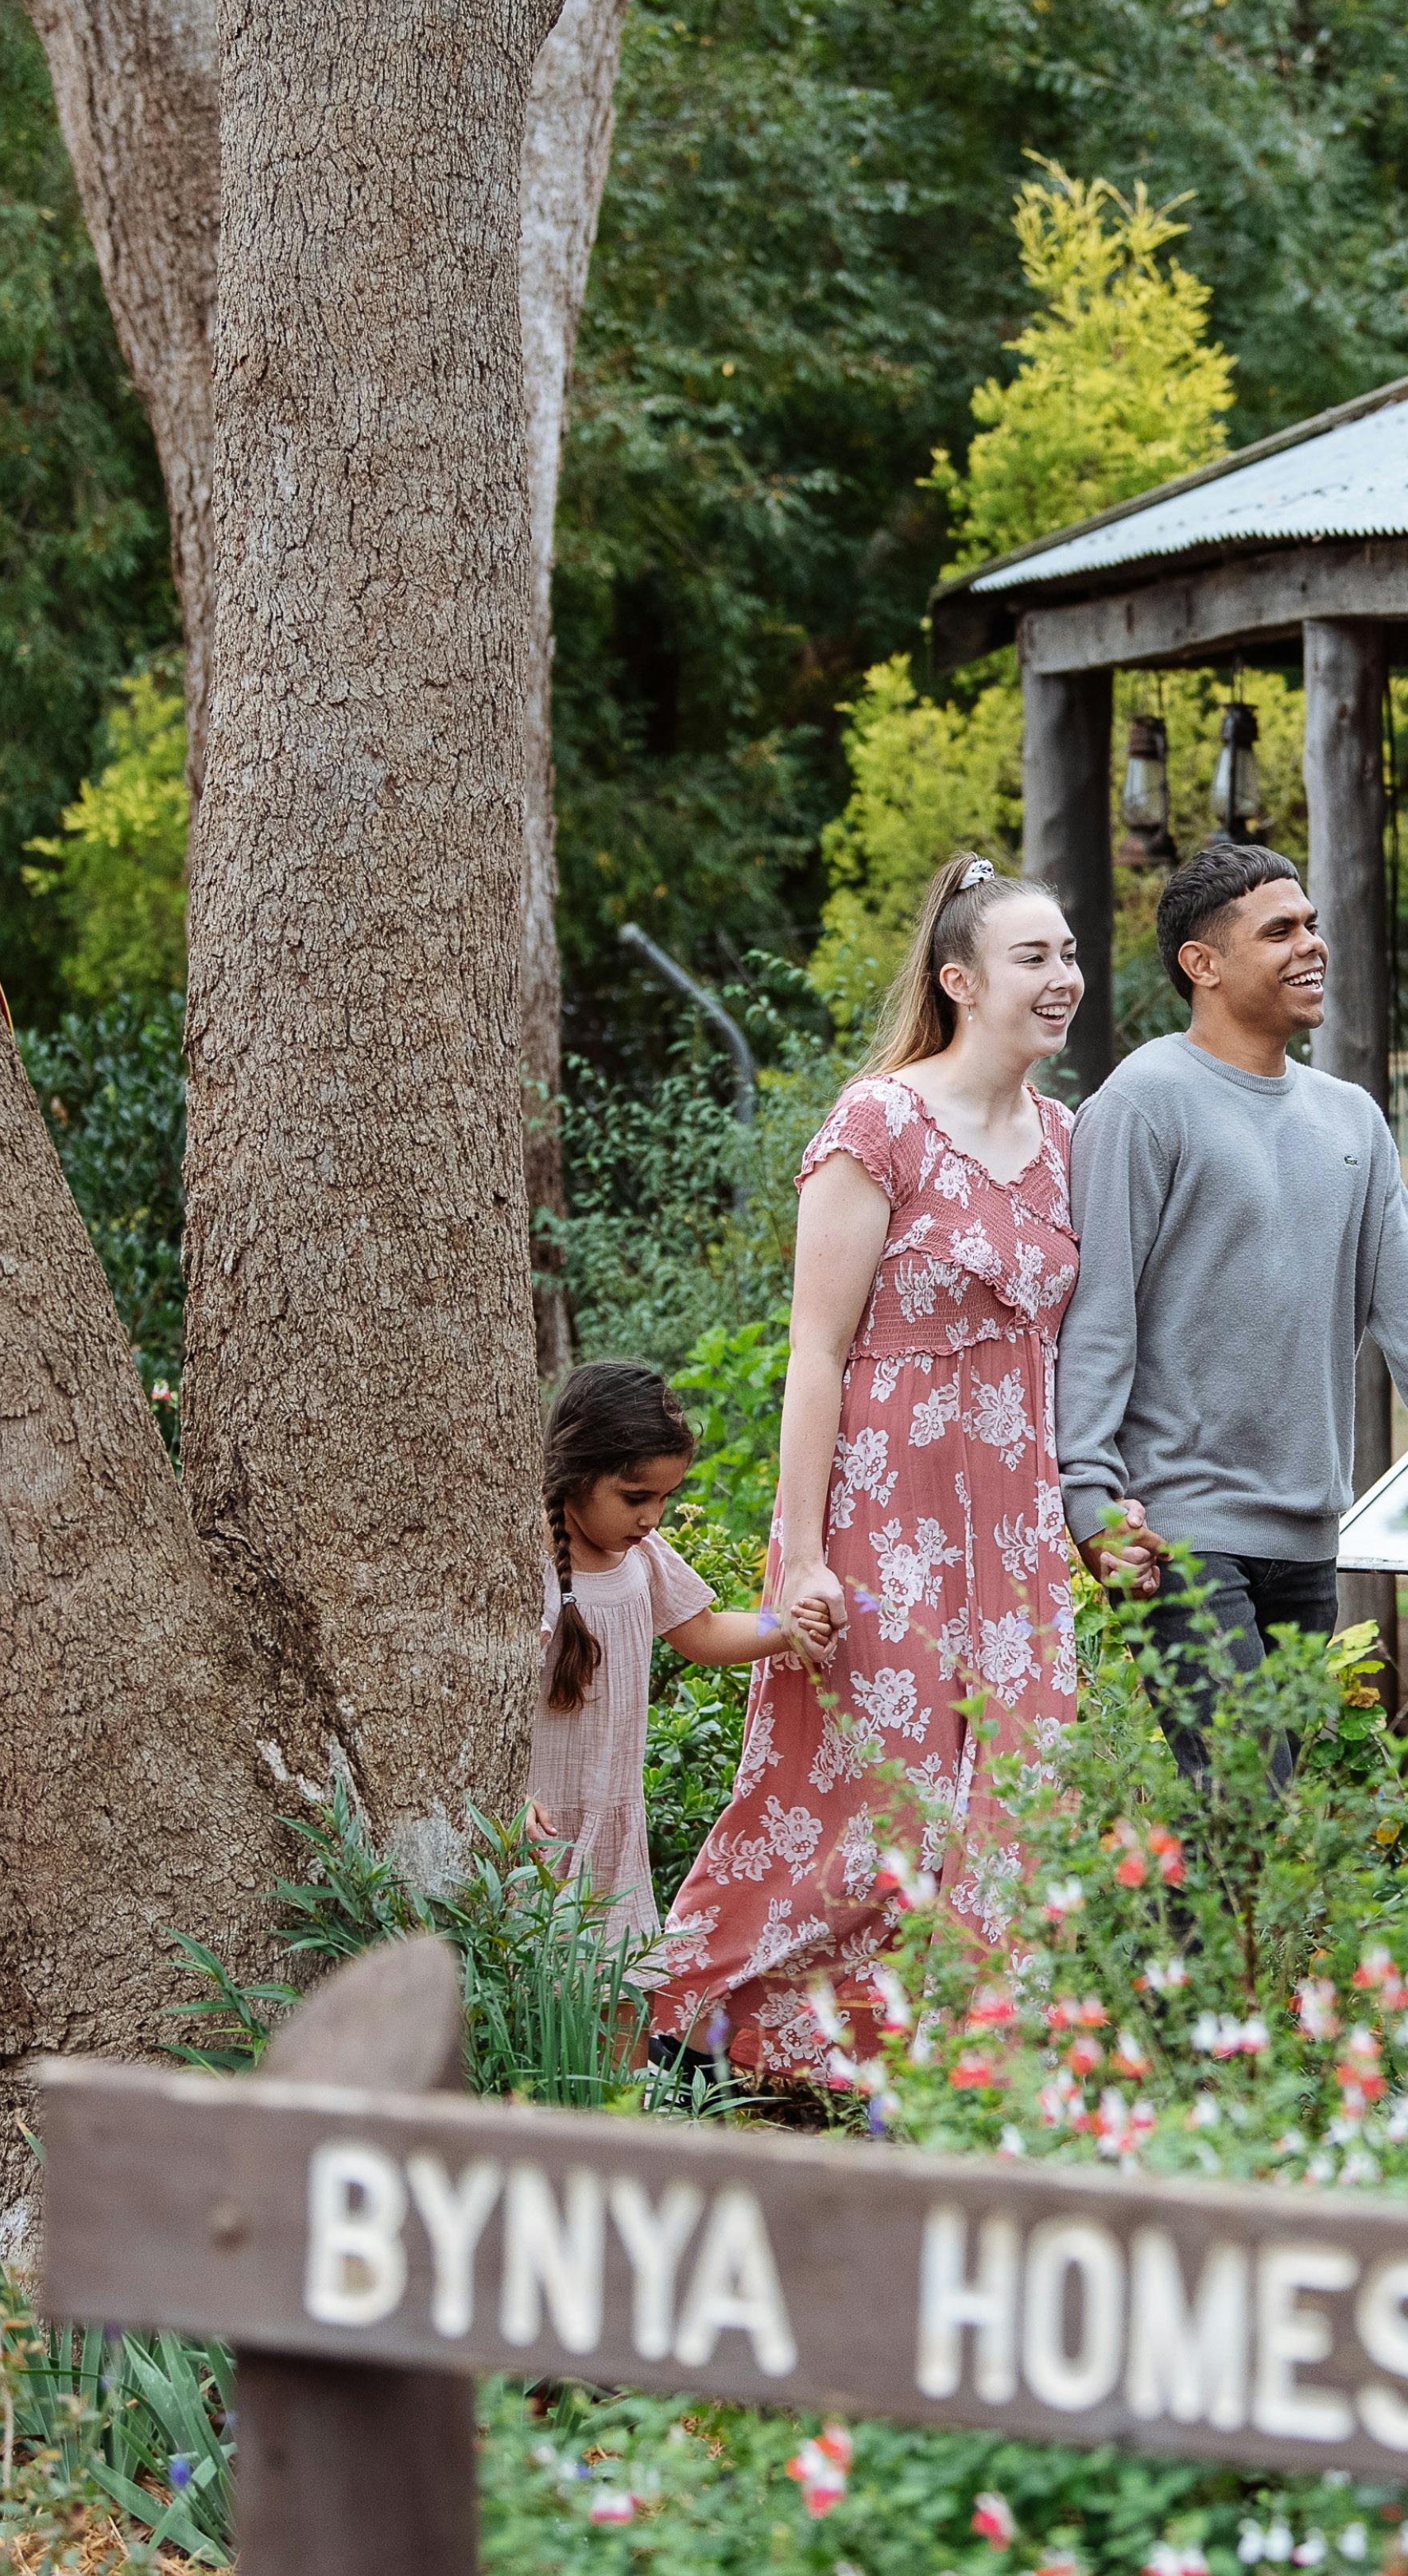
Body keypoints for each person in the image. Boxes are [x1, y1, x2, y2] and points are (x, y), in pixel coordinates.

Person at [649, 853, 1097, 2082]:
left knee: (1019, 1791)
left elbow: (1092, 1349)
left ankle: (953, 2064)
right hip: (884, 1514)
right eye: (1033, 957)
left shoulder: (1069, 1139)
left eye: (1066, 955)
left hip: (1021, 1535)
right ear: (958, 980)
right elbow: (815, 1346)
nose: (1063, 978)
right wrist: (798, 1553)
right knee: (857, 1789)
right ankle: (696, 2017)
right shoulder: (876, 1121)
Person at [1057, 838, 1408, 1774]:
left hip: (1303, 1537)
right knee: (1248, 1796)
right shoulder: (1143, 1102)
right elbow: (1097, 1315)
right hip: (1178, 1531)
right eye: (1279, 930)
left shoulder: (1349, 1120)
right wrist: (1089, 1499)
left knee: (1251, 1842)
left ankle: (1172, 1929)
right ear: (1202, 965)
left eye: (1312, 925)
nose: (1311, 946)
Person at [526, 1358, 816, 1953]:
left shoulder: (641, 1554)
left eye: (664, 1498)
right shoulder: (536, 1567)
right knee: (546, 2002)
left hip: (613, 1821)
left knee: (622, 1996)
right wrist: (513, 1798)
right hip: (542, 1828)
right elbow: (494, 1703)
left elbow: (703, 1633)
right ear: (577, 1472)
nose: (652, 1516)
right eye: (635, 1497)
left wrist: (788, 1627)